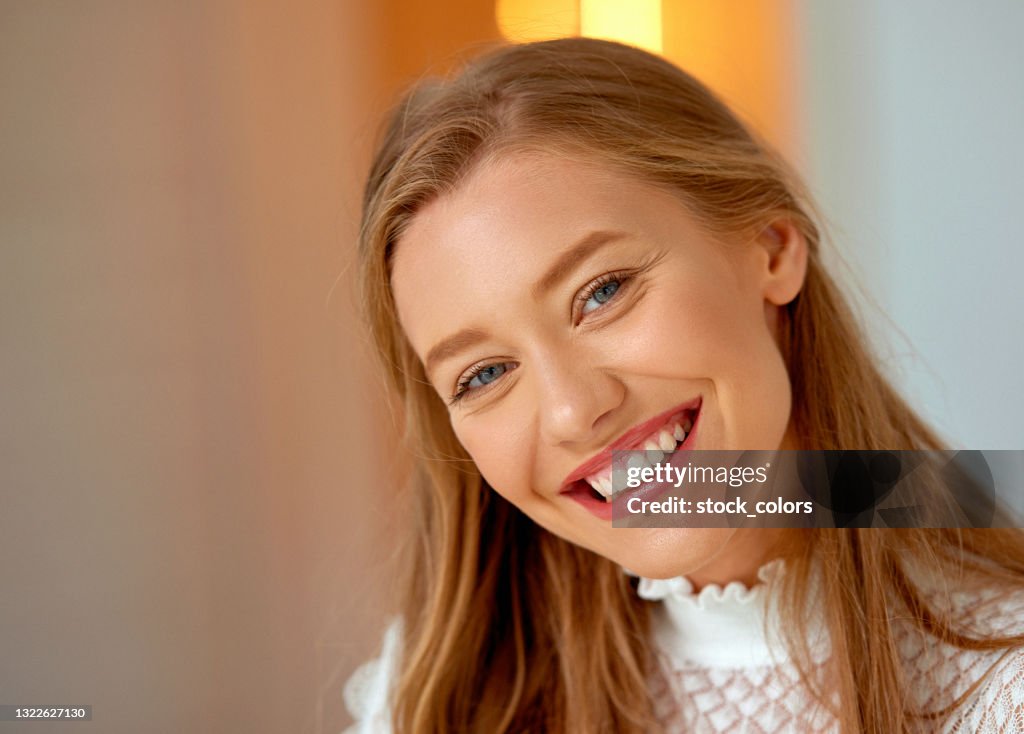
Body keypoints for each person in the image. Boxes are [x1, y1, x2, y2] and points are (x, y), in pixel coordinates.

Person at [343, 37, 1024, 733]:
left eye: (602, 292)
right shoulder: (430, 702)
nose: (575, 411)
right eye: (483, 374)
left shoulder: (1004, 690)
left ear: (771, 246)